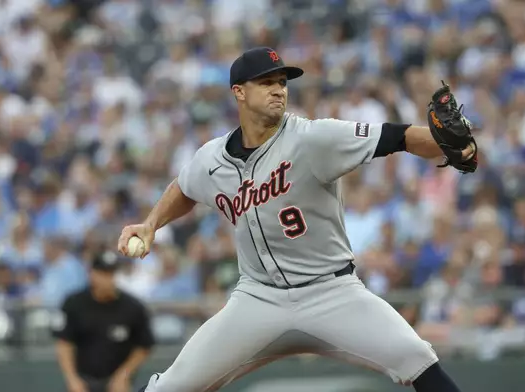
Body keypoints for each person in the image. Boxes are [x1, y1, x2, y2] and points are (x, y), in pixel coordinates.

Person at [118, 47, 477, 392]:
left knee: (416, 357)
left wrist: (446, 143)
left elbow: (398, 137)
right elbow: (184, 187)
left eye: (282, 82)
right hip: (258, 299)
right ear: (239, 92)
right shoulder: (211, 158)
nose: (278, 90)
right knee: (173, 385)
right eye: (266, 82)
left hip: (332, 292)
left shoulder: (313, 137)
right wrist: (151, 224)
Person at [52, 251, 155, 392]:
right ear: (92, 274)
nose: (108, 279)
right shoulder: (74, 303)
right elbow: (64, 344)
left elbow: (144, 345)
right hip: (83, 379)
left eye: (111, 274)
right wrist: (72, 379)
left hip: (117, 382)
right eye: (103, 273)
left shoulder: (132, 307)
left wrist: (124, 375)